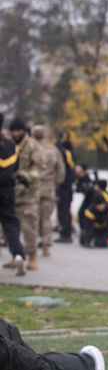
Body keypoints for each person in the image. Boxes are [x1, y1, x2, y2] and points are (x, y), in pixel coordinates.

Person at [8, 118, 44, 271]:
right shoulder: (8, 145)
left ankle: (32, 257)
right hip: (10, 194)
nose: (16, 134)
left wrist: (26, 176)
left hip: (28, 194)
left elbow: (40, 167)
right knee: (10, 229)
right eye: (13, 131)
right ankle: (15, 256)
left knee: (29, 227)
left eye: (18, 130)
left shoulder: (32, 146)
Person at [32, 125, 65, 257]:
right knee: (46, 218)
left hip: (33, 187)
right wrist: (55, 183)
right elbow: (61, 170)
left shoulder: (31, 148)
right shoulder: (53, 150)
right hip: (49, 187)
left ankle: (32, 245)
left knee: (32, 218)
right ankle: (46, 246)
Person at [0, 114, 26, 275]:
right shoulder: (11, 145)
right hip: (7, 190)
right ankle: (18, 254)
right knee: (10, 223)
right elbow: (15, 168)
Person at [79, 179, 108, 248]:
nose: (101, 207)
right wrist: (88, 239)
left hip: (104, 228)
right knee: (84, 240)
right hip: (94, 227)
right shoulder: (90, 211)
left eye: (102, 205)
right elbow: (88, 226)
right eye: (99, 206)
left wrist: (105, 237)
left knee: (102, 243)